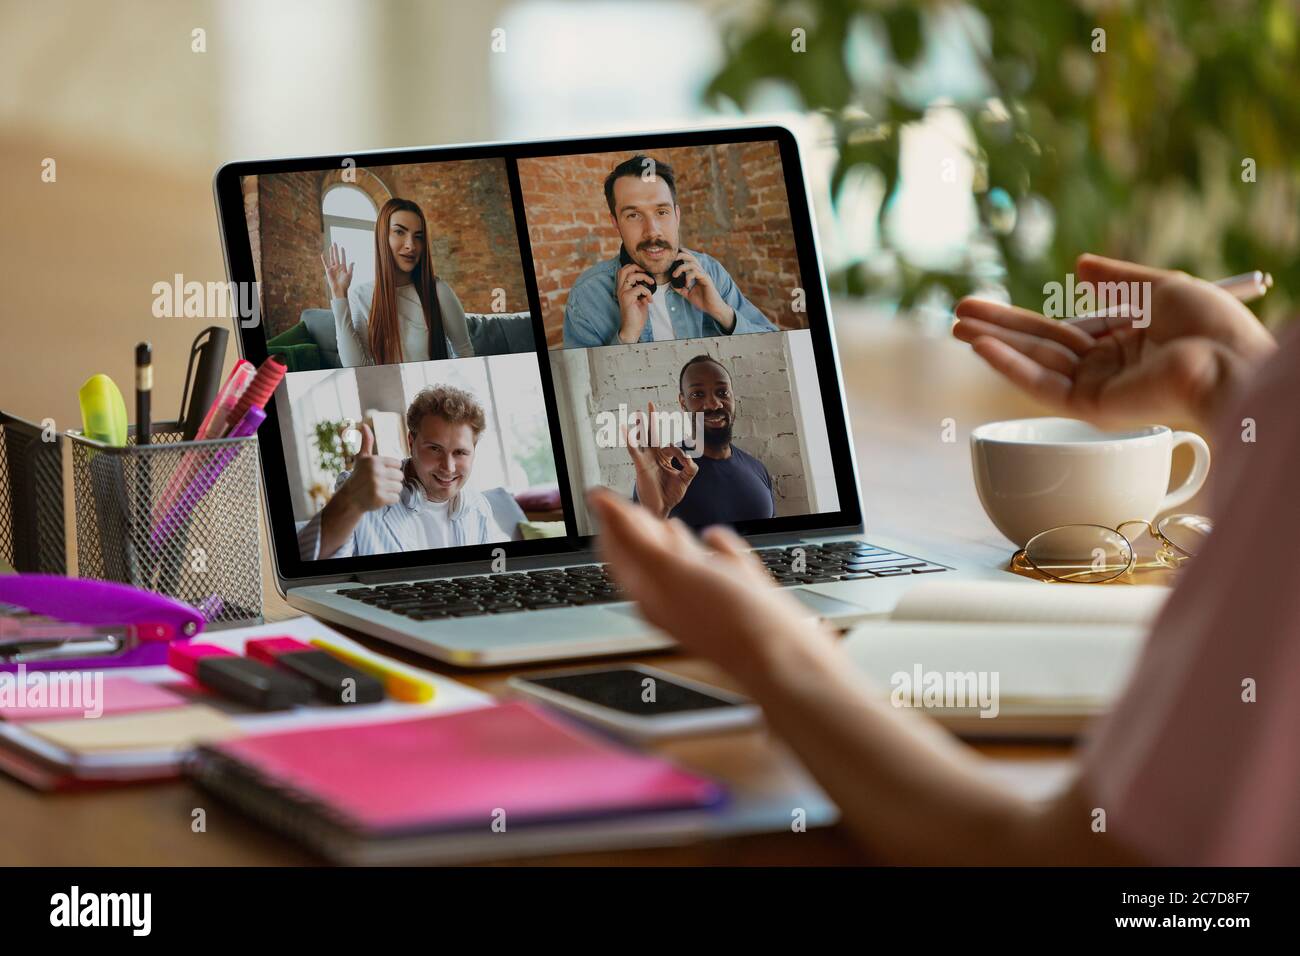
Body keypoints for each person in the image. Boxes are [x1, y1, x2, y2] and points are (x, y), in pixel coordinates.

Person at [589, 254, 1298, 864]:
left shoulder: (751, 467)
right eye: (698, 394)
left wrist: (769, 651)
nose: (712, 402)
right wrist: (1238, 380)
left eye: (720, 389)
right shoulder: (670, 464)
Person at [563, 155, 778, 347]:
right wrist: (626, 337)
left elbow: (775, 347)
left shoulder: (710, 271)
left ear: (677, 216)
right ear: (616, 223)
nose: (652, 232)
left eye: (662, 212)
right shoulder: (586, 296)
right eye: (633, 215)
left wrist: (722, 313)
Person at [299, 385, 508, 560]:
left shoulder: (478, 506)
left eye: (461, 452)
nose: (449, 467)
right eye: (435, 449)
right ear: (411, 442)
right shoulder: (361, 489)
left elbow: (500, 564)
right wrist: (350, 501)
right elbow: (307, 562)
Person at [321, 197, 475, 366]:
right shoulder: (360, 295)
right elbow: (357, 368)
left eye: (418, 236)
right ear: (382, 237)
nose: (411, 245)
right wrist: (339, 295)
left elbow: (464, 353)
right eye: (400, 232)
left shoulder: (439, 291)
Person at [628, 355, 776, 527]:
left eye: (723, 392)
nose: (713, 404)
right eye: (698, 394)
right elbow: (638, 550)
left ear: (734, 398)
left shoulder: (758, 469)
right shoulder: (664, 470)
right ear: (683, 403)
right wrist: (657, 515)